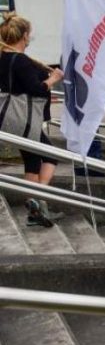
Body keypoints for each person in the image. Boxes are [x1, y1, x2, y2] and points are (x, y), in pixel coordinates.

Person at [0, 13, 64, 227]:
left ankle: (37, 203)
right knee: (43, 159)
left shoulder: (3, 56)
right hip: (24, 120)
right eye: (29, 35)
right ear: (24, 35)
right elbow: (35, 89)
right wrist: (53, 79)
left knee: (40, 158)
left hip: (10, 119)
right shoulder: (21, 61)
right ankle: (34, 201)